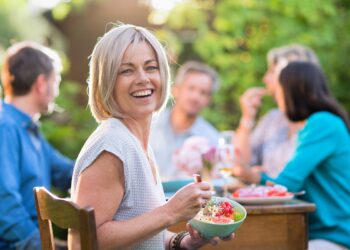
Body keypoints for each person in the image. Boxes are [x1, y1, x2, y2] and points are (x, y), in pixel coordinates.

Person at [69, 24, 233, 249]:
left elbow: (141, 234)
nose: (143, 78)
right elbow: (85, 242)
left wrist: (184, 242)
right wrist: (171, 211)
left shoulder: (135, 142)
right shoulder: (112, 147)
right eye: (127, 70)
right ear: (107, 81)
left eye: (151, 67)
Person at [234, 61, 350, 250]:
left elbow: (286, 185)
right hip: (317, 233)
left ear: (292, 91)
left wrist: (248, 174)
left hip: (334, 236)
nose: (277, 97)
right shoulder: (319, 124)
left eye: (279, 90)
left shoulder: (322, 123)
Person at [0, 42, 74, 249]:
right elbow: (4, 207)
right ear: (41, 83)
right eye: (56, 81)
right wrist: (46, 246)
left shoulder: (28, 129)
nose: (56, 90)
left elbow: (66, 172)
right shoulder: (5, 127)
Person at [235, 44, 320, 177]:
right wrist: (247, 117)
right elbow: (239, 165)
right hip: (272, 197)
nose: (265, 78)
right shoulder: (272, 119)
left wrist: (257, 177)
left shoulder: (320, 124)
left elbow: (294, 180)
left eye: (272, 71)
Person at [150, 61, 220, 180]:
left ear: (208, 100)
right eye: (191, 88)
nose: (195, 97)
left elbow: (213, 181)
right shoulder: (149, 125)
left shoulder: (212, 139)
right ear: (175, 90)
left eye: (203, 93)